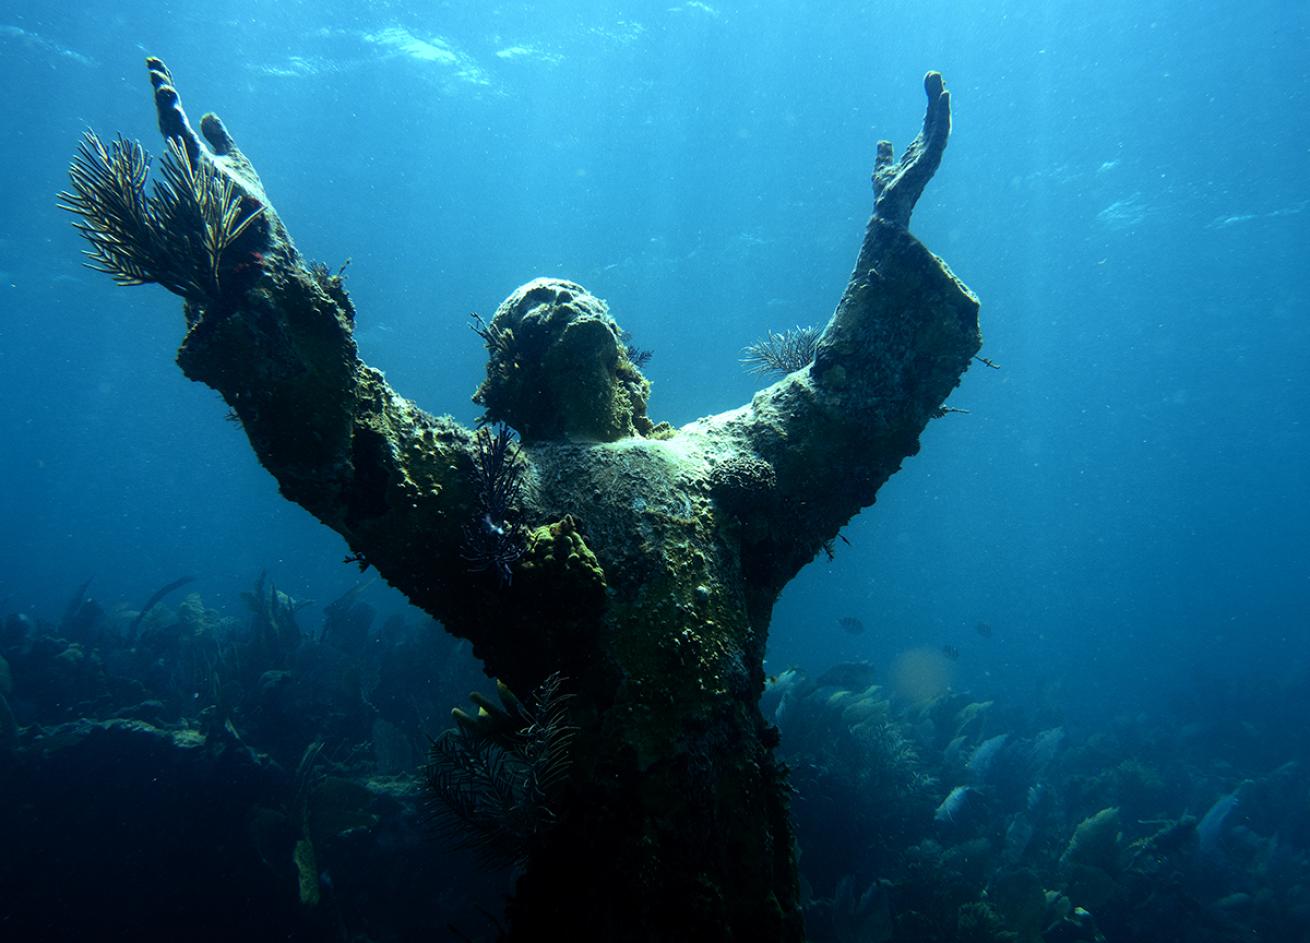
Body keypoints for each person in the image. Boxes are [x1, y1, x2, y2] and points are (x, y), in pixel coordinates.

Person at [64, 59, 980, 941]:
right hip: (595, 887)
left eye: (579, 299)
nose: (559, 300)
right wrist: (250, 265)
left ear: (625, 358)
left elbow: (843, 399)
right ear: (507, 377)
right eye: (530, 312)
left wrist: (887, 238)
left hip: (740, 877)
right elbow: (346, 435)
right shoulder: (481, 495)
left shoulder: (725, 459)